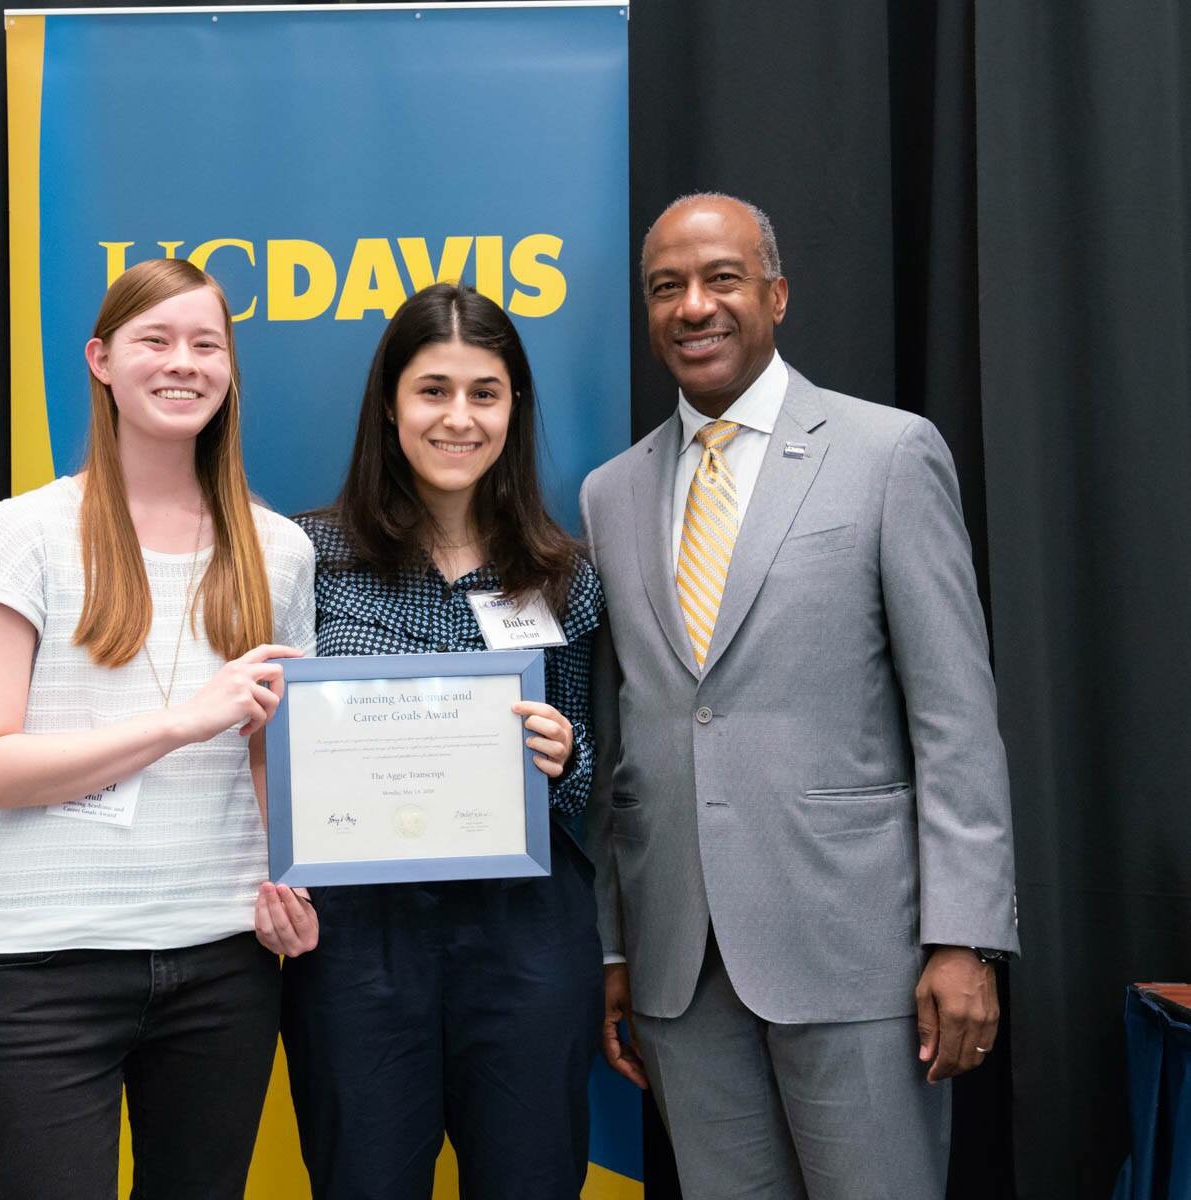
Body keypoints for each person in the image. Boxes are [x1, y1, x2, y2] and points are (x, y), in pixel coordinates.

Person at [581, 193, 1019, 1199]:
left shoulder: (887, 455)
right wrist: (615, 942)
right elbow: (626, 737)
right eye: (666, 288)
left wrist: (965, 936)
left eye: (721, 279)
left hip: (857, 955)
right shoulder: (610, 493)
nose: (694, 306)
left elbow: (955, 718)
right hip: (680, 971)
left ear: (774, 295)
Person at [0, 258, 319, 1199]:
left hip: (226, 962)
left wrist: (299, 874)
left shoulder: (279, 550)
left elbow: (281, 752)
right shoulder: (23, 533)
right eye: (155, 340)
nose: (181, 363)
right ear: (102, 360)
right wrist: (182, 721)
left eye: (206, 343)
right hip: (45, 964)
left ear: (230, 368)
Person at [280, 283, 605, 1200]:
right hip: (358, 942)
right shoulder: (307, 558)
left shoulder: (568, 575)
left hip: (527, 933)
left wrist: (563, 754)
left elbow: (589, 788)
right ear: (390, 404)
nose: (458, 418)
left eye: (485, 393)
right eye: (433, 390)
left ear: (514, 409)